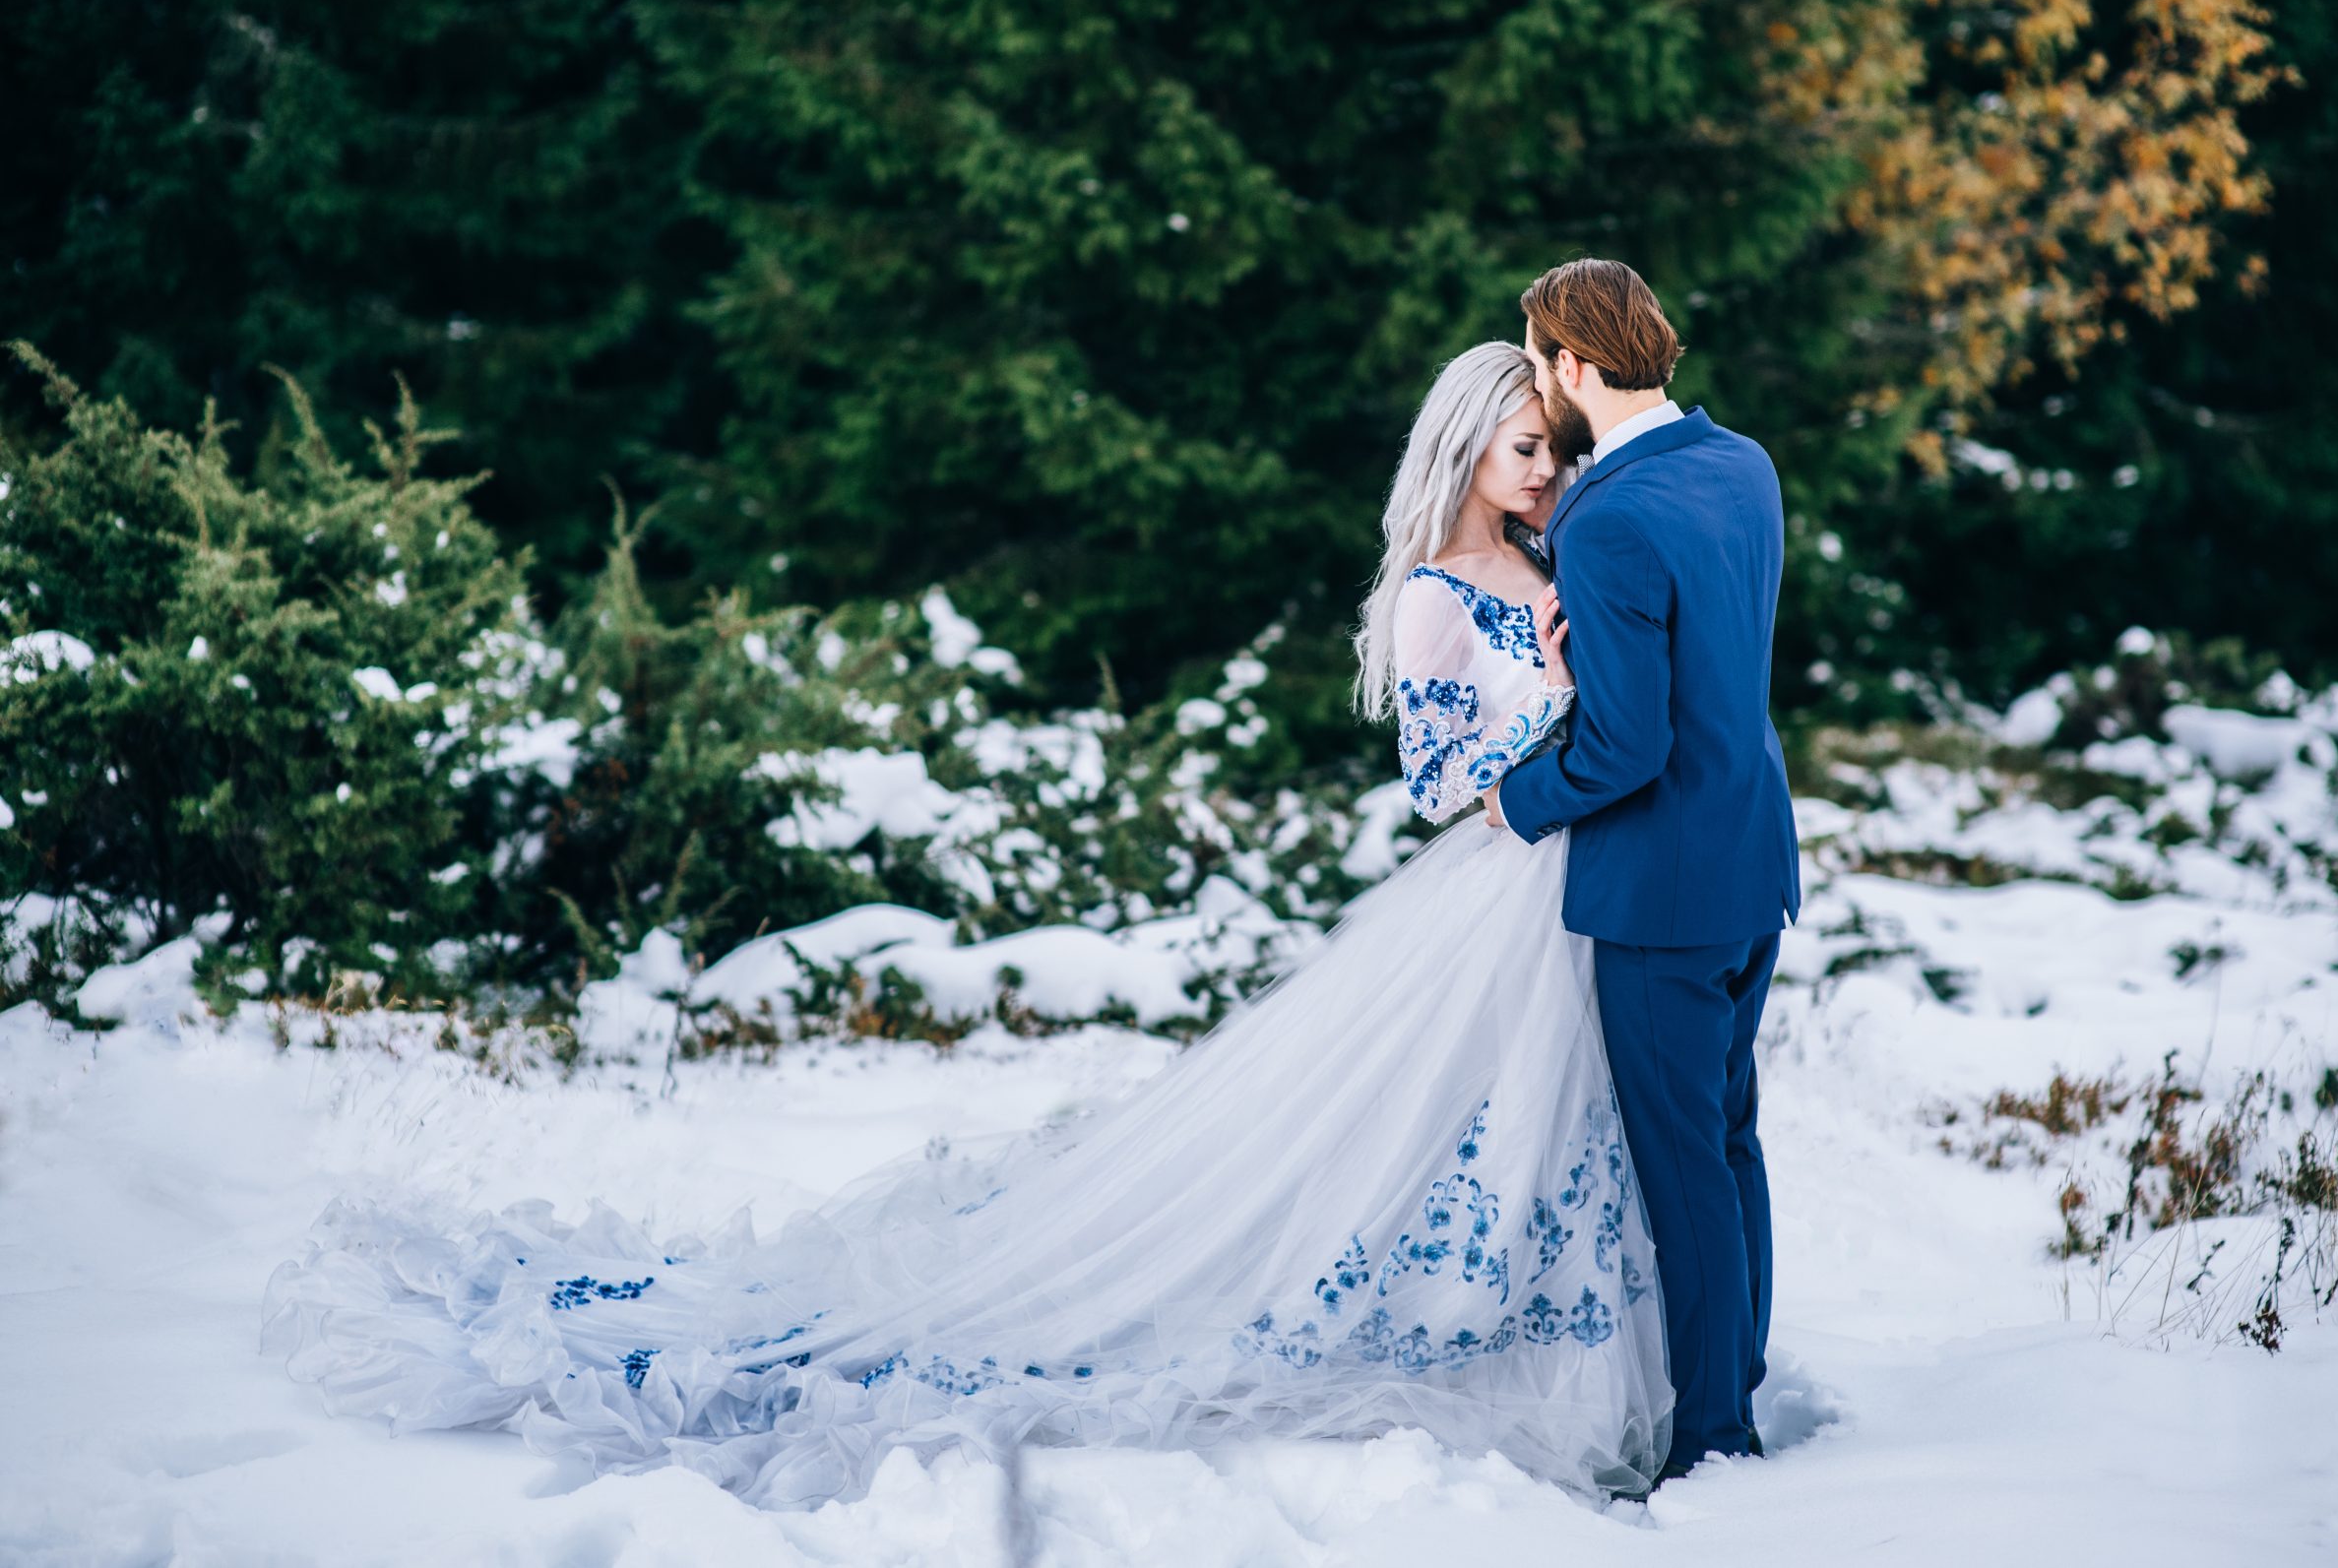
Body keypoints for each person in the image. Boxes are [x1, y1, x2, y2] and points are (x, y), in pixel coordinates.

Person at [261, 337, 1684, 1510]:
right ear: (1462, 451)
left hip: (1564, 888)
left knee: (1539, 1131)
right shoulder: (1436, 602)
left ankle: (1507, 1337)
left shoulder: (1544, 569)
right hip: (1498, 882)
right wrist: (1557, 705)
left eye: (1553, 447)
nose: (1547, 467)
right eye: (1524, 447)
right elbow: (1440, 785)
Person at [1485, 257, 1802, 1480]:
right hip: (1750, 854)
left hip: (1663, 887)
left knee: (1683, 1167)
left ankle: (1715, 1433)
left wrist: (1518, 801)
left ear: (1572, 366)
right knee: (1728, 1141)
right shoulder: (1743, 463)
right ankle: (1737, 1377)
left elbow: (1624, 747)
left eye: (1536, 358)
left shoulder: (1607, 517)